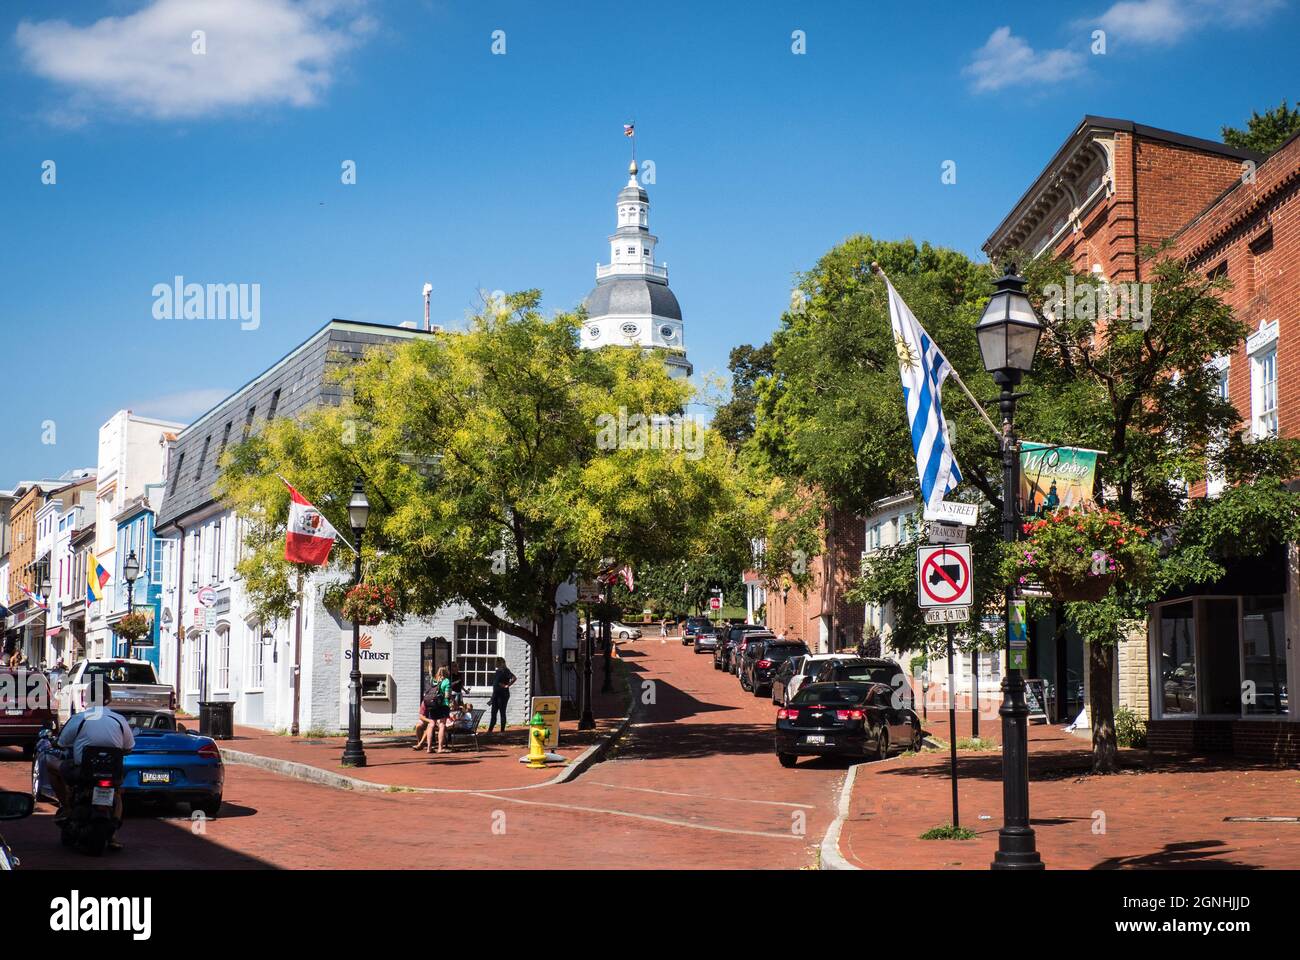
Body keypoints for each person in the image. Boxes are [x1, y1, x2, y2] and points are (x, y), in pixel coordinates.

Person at [47, 681, 134, 851]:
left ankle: (66, 807)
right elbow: (129, 747)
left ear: (86, 698)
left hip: (83, 772)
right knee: (117, 794)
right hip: (111, 774)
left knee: (51, 765)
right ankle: (113, 834)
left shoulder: (80, 718)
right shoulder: (119, 720)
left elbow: (62, 743)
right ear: (109, 698)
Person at [426, 666, 452, 754]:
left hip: (432, 704)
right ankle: (440, 748)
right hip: (443, 705)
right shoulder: (446, 681)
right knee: (442, 725)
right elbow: (447, 695)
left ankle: (429, 748)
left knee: (431, 724)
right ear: (446, 672)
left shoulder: (434, 680)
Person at [487, 657, 517, 734]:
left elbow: (514, 678)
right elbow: (496, 684)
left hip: (503, 695)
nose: (495, 663)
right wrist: (492, 698)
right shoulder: (497, 671)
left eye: (496, 662)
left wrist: (507, 685)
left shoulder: (505, 670)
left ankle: (502, 731)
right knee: (493, 712)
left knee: (502, 712)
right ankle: (490, 731)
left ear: (500, 663)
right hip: (496, 695)